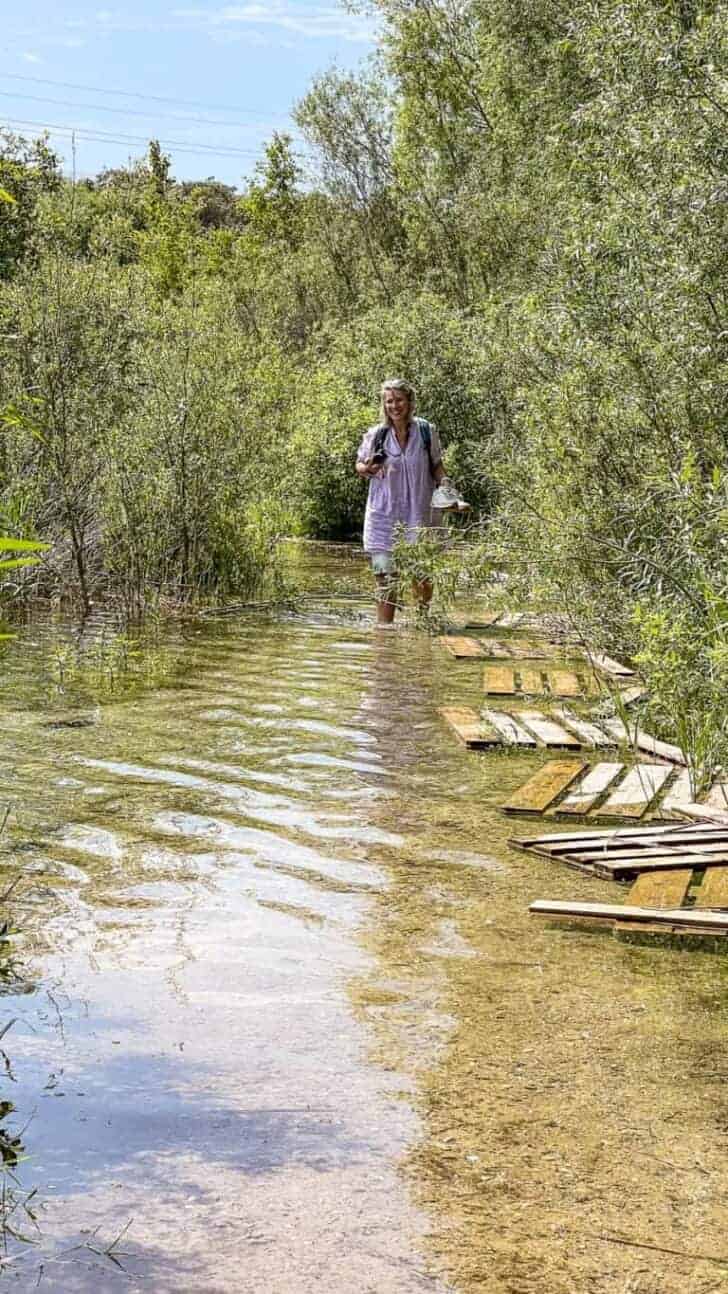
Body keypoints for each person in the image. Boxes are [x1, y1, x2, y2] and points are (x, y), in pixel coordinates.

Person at [356, 378, 446, 625]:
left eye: (399, 400)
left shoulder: (426, 431)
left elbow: (436, 465)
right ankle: (384, 634)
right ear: (384, 405)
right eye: (389, 401)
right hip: (383, 516)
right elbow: (360, 465)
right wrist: (368, 468)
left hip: (420, 513)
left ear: (410, 402)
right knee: (385, 578)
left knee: (421, 574)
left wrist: (447, 486)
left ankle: (422, 625)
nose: (394, 406)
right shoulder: (377, 434)